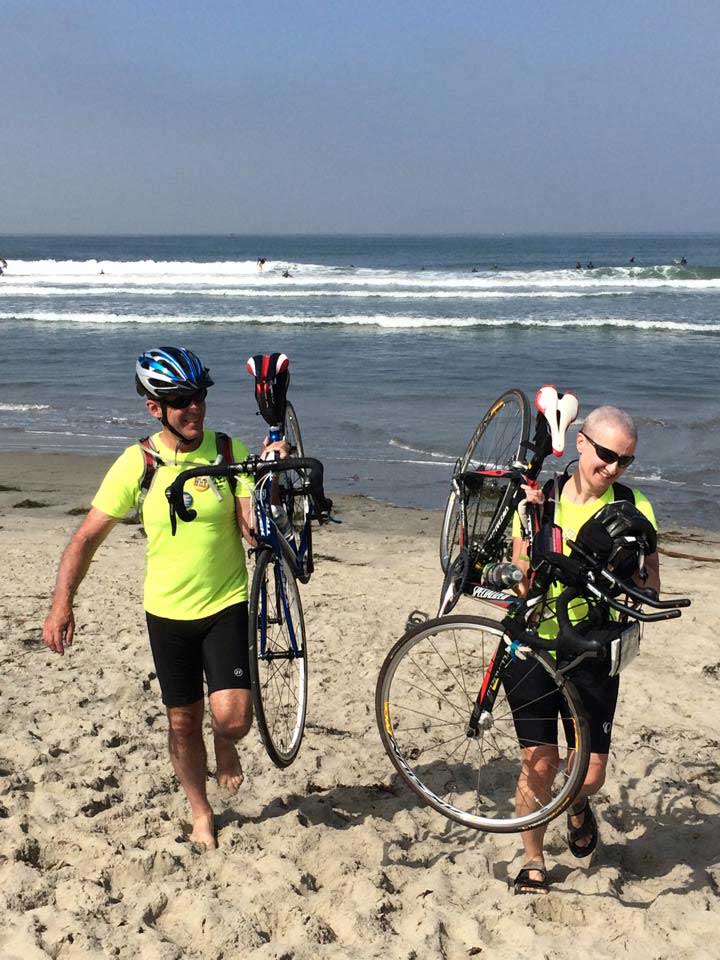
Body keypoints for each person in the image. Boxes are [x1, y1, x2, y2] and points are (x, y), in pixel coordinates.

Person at [42, 347, 287, 849]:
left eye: (198, 395)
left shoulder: (226, 451)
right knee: (181, 722)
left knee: (233, 719)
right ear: (155, 408)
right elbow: (86, 537)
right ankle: (200, 811)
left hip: (225, 605)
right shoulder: (140, 463)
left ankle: (226, 744)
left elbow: (252, 530)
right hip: (167, 614)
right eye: (180, 400)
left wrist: (271, 480)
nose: (193, 407)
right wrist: (62, 601)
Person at [508, 405, 660, 894]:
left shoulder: (635, 506)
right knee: (540, 762)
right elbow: (520, 586)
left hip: (594, 649)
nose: (614, 468)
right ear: (580, 443)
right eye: (607, 455)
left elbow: (651, 587)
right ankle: (533, 860)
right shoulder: (540, 498)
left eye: (626, 461)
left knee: (589, 774)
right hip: (533, 643)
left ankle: (577, 802)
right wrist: (531, 528)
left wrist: (626, 574)